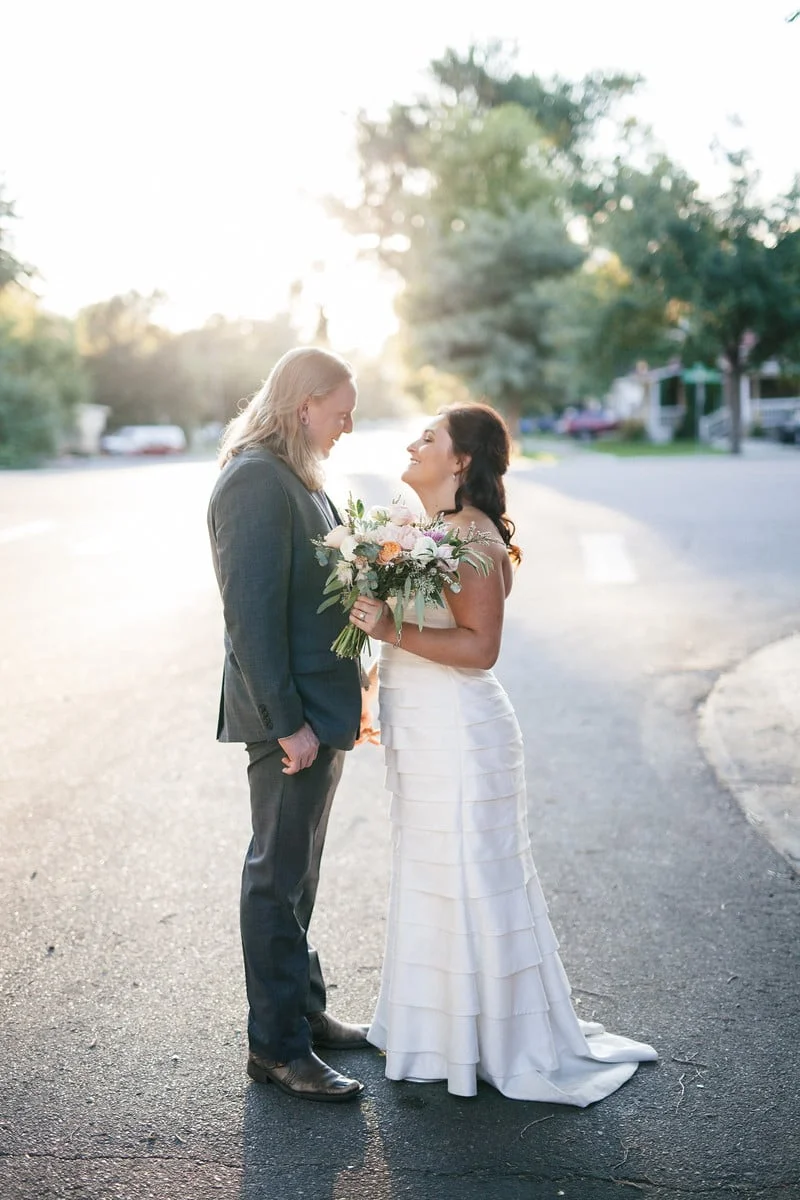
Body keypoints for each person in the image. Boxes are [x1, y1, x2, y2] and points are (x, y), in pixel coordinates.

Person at [352, 403, 658, 1103]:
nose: (412, 443)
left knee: (469, 878)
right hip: (420, 729)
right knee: (432, 872)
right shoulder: (427, 530)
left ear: (460, 461)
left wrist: (389, 629)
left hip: (462, 736)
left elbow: (479, 650)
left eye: (428, 437)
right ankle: (439, 1035)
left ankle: (488, 1042)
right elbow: (417, 629)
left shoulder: (476, 540)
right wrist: (373, 680)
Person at [207, 346, 371, 1103]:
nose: (347, 425)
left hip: (321, 712)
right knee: (275, 877)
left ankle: (301, 1010)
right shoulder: (254, 481)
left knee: (299, 872)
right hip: (291, 721)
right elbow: (251, 621)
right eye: (341, 412)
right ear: (304, 405)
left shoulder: (301, 477)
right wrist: (288, 724)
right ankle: (275, 1048)